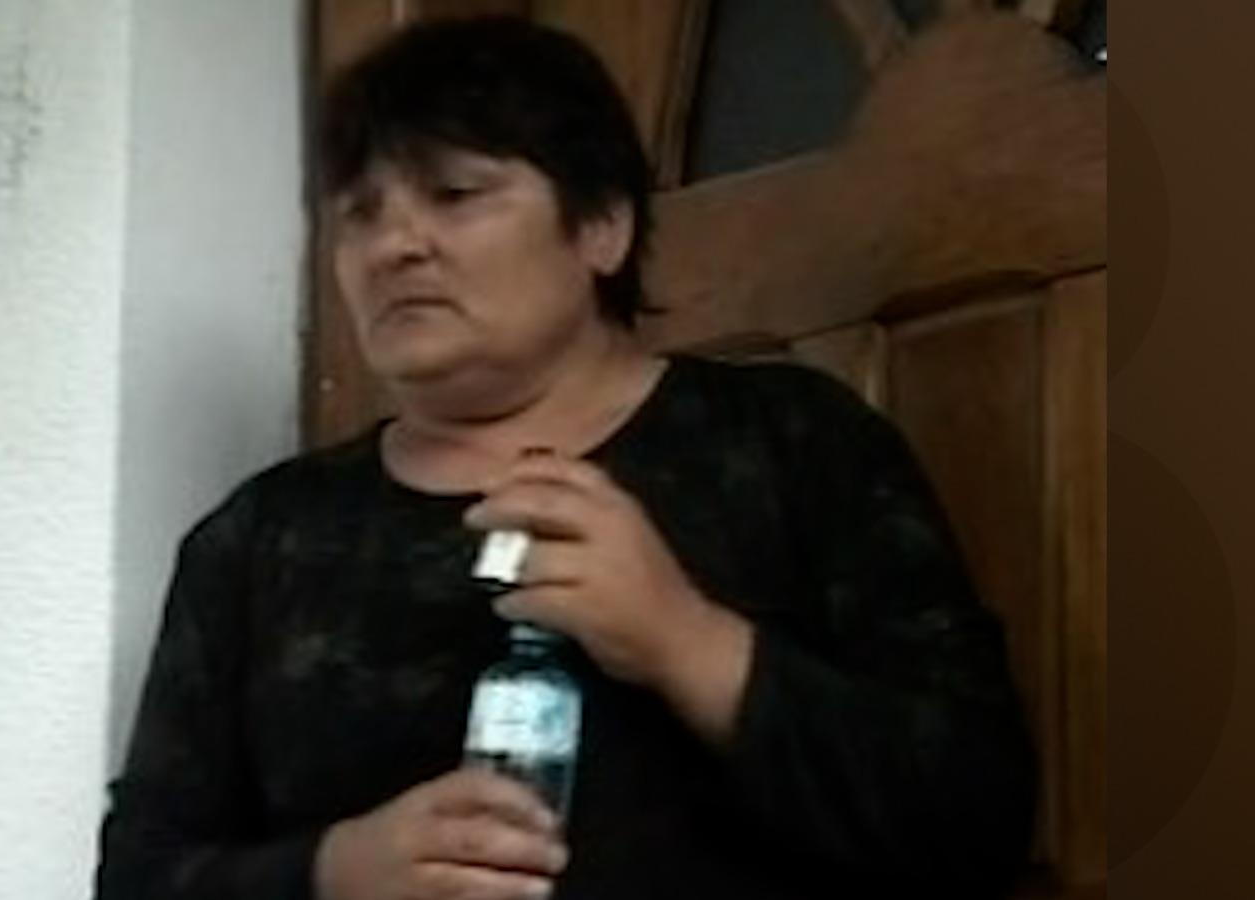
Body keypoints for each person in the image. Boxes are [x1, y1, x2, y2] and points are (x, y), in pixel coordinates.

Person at [93, 16, 1035, 900]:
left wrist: (685, 638)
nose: (393, 246)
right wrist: (337, 869)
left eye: (454, 195)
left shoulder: (790, 443)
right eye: (359, 214)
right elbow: (139, 873)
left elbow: (978, 812)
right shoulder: (261, 538)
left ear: (601, 227)